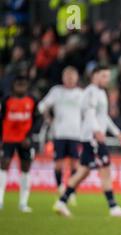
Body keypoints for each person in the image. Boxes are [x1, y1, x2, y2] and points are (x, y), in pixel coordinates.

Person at [53, 65, 121, 218]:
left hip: (91, 137)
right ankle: (113, 207)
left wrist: (118, 133)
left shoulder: (100, 92)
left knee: (83, 172)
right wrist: (97, 131)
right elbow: (89, 114)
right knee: (105, 169)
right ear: (94, 76)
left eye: (108, 77)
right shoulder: (91, 92)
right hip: (92, 138)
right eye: (103, 76)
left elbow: (104, 116)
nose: (106, 79)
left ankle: (61, 202)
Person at [38, 66, 83, 204]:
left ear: (76, 78)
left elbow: (89, 112)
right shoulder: (56, 91)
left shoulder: (81, 93)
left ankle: (72, 191)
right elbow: (42, 106)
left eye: (72, 76)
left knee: (75, 165)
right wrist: (48, 118)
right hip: (59, 133)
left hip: (76, 133)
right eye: (67, 76)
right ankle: (60, 188)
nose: (70, 79)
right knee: (59, 164)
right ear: (63, 78)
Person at [0, 76, 40, 212]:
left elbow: (37, 120)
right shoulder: (6, 100)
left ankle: (23, 203)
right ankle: (0, 200)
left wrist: (29, 136)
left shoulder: (32, 100)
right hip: (8, 139)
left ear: (27, 86)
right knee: (4, 164)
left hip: (25, 140)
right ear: (13, 86)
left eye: (23, 85)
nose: (21, 88)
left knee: (26, 167)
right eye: (18, 85)